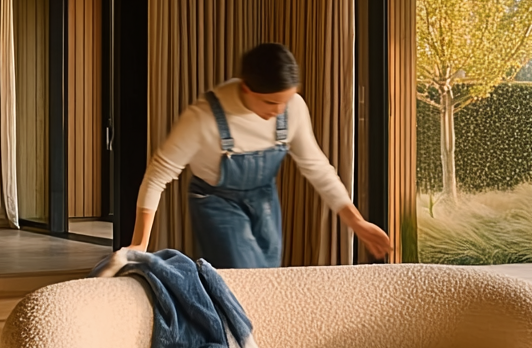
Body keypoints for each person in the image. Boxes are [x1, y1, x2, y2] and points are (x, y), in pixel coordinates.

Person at [127, 42, 391, 267]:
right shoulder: (203, 117)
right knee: (241, 277)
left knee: (266, 279)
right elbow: (157, 175)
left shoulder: (292, 108)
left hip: (264, 198)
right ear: (246, 89)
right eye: (271, 102)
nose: (279, 111)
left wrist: (356, 222)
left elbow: (317, 167)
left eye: (285, 101)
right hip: (215, 201)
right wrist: (139, 243)